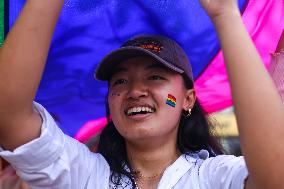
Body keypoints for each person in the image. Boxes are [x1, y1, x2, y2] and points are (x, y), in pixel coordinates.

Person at [0, 0, 283, 188]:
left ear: (188, 99)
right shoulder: (83, 174)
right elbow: (8, 116)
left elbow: (276, 176)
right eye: (120, 82)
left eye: (155, 77)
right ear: (110, 104)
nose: (134, 91)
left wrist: (225, 16)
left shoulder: (216, 177)